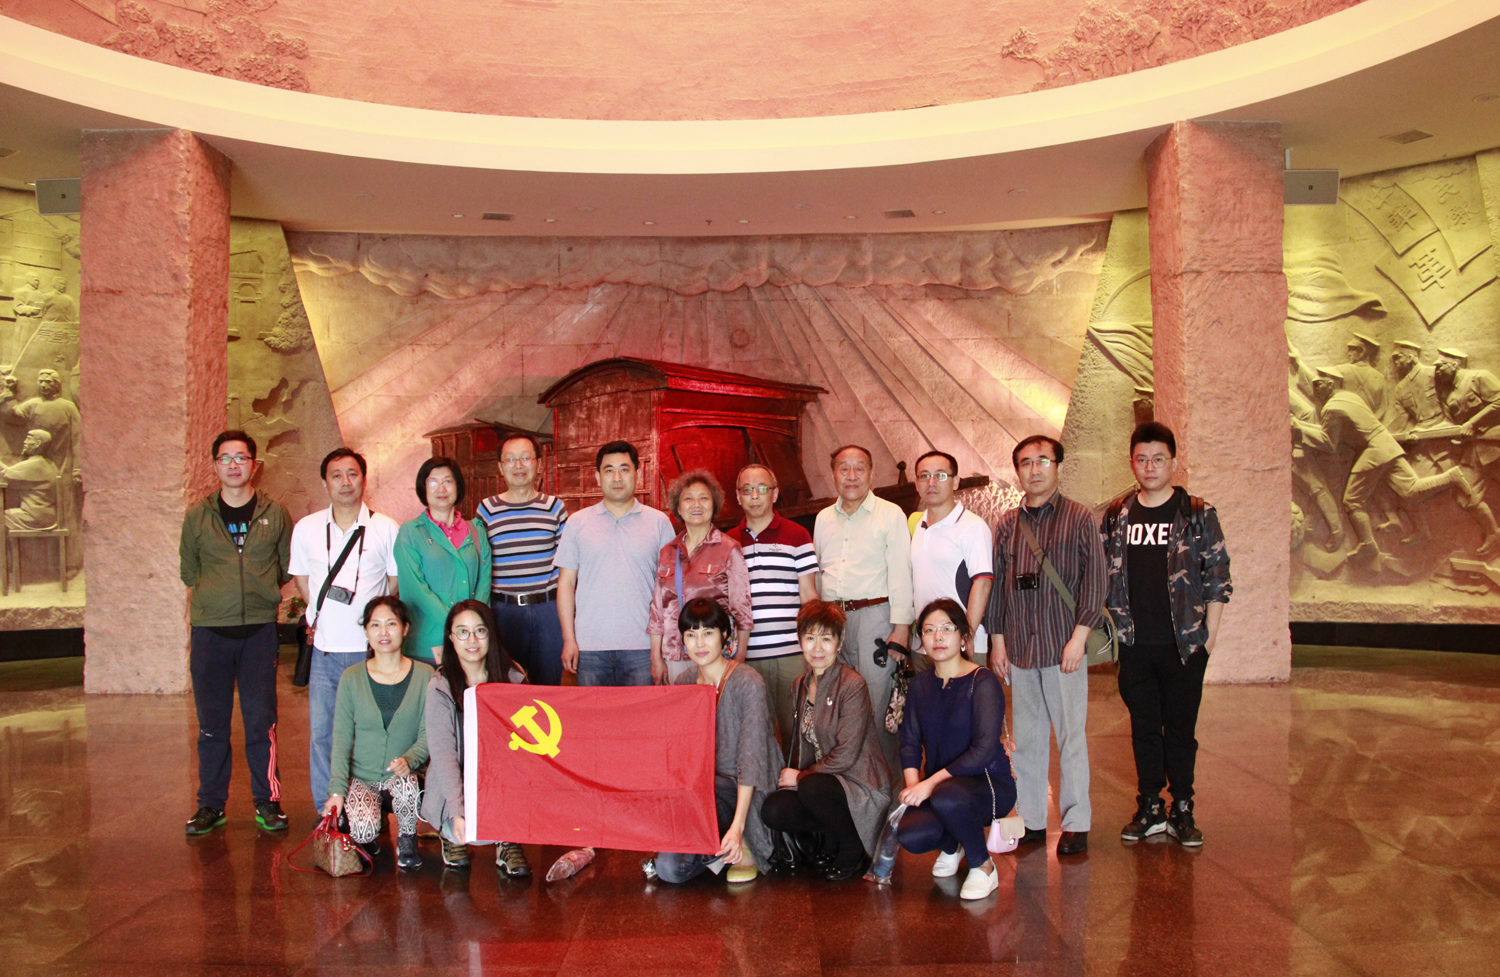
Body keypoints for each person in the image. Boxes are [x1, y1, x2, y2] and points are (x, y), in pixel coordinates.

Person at [1101, 422, 1232, 848]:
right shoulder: (1118, 515)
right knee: (1143, 729)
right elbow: (1101, 575)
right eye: (1142, 459)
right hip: (1135, 644)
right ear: (1132, 463)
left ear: (1173, 462)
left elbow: (1218, 577)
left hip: (1184, 646)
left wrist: (1209, 638)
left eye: (1158, 459)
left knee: (1180, 730)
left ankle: (1183, 807)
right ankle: (1150, 806)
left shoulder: (1196, 513)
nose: (1150, 467)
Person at [985, 434, 1105, 856]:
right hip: (1020, 647)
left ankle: (1076, 822)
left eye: (1042, 461)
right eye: (1025, 462)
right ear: (1017, 470)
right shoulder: (1007, 524)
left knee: (1071, 737)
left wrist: (1080, 638)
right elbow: (998, 588)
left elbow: (1096, 581)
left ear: (1058, 466)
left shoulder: (1079, 517)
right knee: (1027, 740)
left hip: (1063, 646)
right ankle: (1033, 820)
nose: (1034, 470)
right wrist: (997, 642)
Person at [178, 430, 292, 836]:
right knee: (212, 724)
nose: (233, 465)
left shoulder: (275, 513)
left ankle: (268, 801)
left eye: (241, 457)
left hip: (259, 631)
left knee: (262, 722)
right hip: (211, 632)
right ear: (215, 465)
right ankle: (210, 804)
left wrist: (258, 594)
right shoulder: (198, 516)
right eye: (225, 458)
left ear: (253, 465)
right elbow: (188, 570)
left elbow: (285, 567)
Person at [290, 448, 401, 813]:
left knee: (371, 735)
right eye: (336, 475)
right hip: (324, 651)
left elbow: (393, 583)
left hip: (370, 654)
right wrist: (322, 612)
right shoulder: (307, 528)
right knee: (323, 734)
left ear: (364, 479)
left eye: (352, 474)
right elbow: (302, 579)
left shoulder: (385, 528)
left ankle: (368, 810)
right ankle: (329, 810)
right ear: (325, 482)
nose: (345, 482)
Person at [649, 597, 781, 884]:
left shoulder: (748, 682)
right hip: (698, 794)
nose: (699, 643)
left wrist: (738, 827)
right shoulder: (684, 683)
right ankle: (718, 851)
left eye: (708, 633)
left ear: (724, 635)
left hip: (741, 789)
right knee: (670, 870)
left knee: (708, 798)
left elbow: (752, 761)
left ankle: (741, 841)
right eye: (691, 634)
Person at [761, 600, 891, 881]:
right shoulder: (800, 684)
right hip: (822, 784)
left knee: (811, 786)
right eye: (810, 638)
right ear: (800, 641)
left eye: (826, 639)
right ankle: (831, 836)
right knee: (774, 810)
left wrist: (801, 777)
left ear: (839, 643)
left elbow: (847, 754)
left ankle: (853, 846)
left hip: (859, 783)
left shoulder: (852, 684)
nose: (817, 648)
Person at [897, 598, 1017, 901]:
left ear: (964, 636)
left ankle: (983, 866)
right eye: (929, 630)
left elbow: (982, 751)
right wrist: (913, 787)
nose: (938, 637)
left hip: (988, 784)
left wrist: (929, 785)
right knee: (912, 834)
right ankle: (955, 844)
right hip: (942, 789)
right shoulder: (921, 685)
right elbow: (909, 741)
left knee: (947, 796)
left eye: (947, 629)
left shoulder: (983, 681)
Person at [813, 444, 914, 775]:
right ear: (833, 474)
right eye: (844, 468)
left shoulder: (890, 514)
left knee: (877, 701)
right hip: (832, 620)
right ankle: (846, 780)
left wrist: (901, 628)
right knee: (836, 699)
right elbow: (819, 572)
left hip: (875, 617)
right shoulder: (823, 518)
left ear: (871, 473)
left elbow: (900, 572)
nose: (851, 475)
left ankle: (885, 785)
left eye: (859, 468)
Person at [1310, 367, 1470, 563]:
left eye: (1318, 384)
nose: (1314, 389)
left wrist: (1300, 428)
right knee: (1411, 490)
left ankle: (1368, 545)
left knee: (1352, 501)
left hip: (1374, 451)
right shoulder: (1350, 397)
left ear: (1331, 384)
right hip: (1387, 444)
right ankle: (1450, 478)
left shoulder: (1331, 408)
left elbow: (1328, 443)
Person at [421, 599, 532, 876]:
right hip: (458, 778)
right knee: (461, 829)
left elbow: (528, 747)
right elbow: (443, 755)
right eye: (462, 632)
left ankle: (508, 840)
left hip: (500, 777)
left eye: (480, 631)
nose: (472, 640)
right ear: (451, 637)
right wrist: (457, 810)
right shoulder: (440, 686)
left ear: (491, 634)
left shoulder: (513, 678)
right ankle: (449, 834)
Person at [323, 596, 433, 871]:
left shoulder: (425, 675)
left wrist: (410, 759)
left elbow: (429, 732)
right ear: (366, 631)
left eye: (391, 624)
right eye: (375, 625)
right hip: (363, 777)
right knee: (363, 831)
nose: (384, 632)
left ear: (405, 628)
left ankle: (407, 838)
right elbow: (341, 739)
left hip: (405, 776)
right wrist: (337, 791)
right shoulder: (351, 677)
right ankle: (368, 836)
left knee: (407, 786)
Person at [555, 440, 675, 686]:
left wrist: (660, 648)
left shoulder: (659, 522)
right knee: (594, 711)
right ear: (598, 477)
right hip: (589, 647)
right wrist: (569, 639)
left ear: (637, 474)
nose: (617, 478)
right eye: (609, 470)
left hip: (643, 647)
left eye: (624, 469)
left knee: (641, 712)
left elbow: (668, 589)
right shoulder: (577, 523)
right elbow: (565, 584)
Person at [730, 463, 819, 743]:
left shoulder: (798, 535)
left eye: (762, 488)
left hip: (792, 653)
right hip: (747, 656)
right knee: (757, 735)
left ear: (775, 493)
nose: (755, 495)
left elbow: (809, 595)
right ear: (738, 496)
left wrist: (812, 647)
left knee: (798, 733)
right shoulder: (728, 541)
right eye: (747, 489)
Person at [475, 434, 569, 686]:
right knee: (506, 685)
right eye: (510, 459)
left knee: (547, 687)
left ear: (539, 464)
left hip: (547, 609)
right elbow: (480, 563)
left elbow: (567, 566)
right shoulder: (486, 509)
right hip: (503, 611)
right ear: (500, 467)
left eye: (526, 458)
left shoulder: (554, 507)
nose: (518, 465)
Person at [647, 470, 753, 683]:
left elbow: (741, 608)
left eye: (704, 498)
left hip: (716, 655)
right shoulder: (668, 552)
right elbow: (658, 610)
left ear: (714, 505)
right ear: (678, 508)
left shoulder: (728, 549)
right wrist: (655, 657)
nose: (696, 504)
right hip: (675, 655)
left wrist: (739, 657)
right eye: (688, 499)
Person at [394, 456, 492, 666]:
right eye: (433, 482)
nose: (441, 488)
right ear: (423, 488)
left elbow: (484, 583)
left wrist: (470, 627)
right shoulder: (411, 532)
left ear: (458, 486)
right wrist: (457, 627)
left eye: (448, 481)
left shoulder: (476, 530)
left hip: (472, 642)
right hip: (427, 641)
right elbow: (416, 590)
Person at [909, 450, 994, 662]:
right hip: (924, 643)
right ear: (917, 483)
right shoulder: (918, 525)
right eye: (924, 476)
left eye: (940, 475)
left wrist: (967, 635)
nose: (931, 482)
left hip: (959, 644)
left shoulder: (972, 526)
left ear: (955, 482)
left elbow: (983, 583)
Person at [0, 429, 59, 529]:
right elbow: (9, 473)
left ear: (37, 444)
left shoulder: (35, 464)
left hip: (35, 517)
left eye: (28, 439)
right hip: (47, 516)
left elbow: (4, 475)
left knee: (1, 517)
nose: (24, 442)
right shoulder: (48, 463)